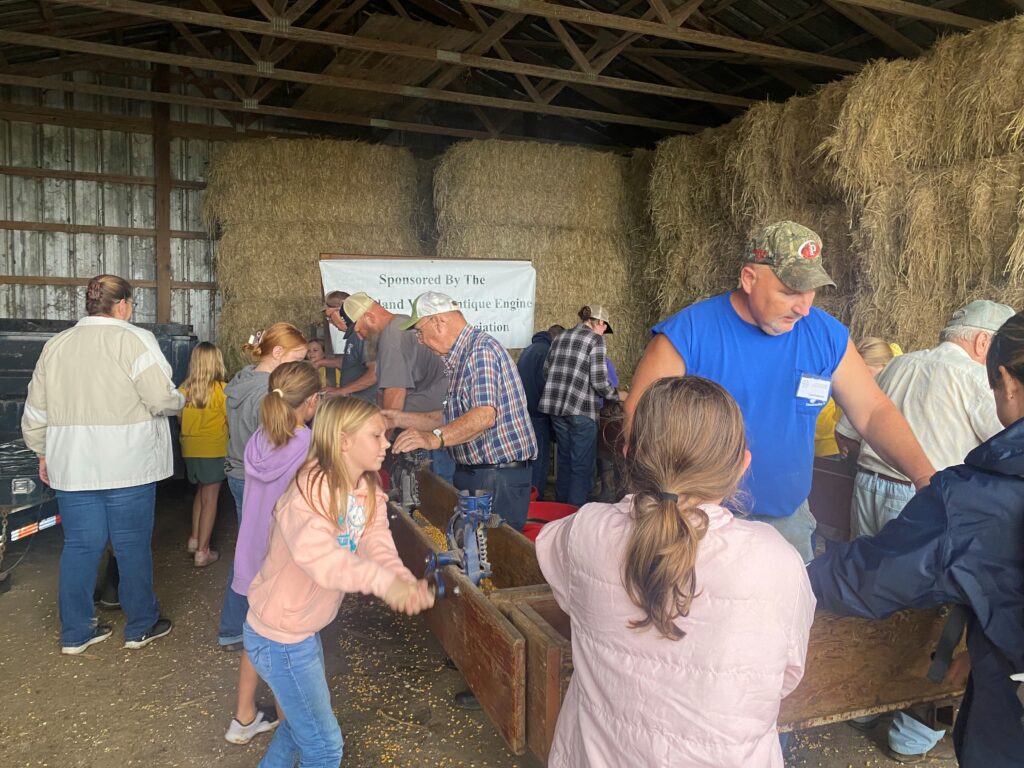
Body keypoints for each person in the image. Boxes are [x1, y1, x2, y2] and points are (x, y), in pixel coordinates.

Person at [536, 376, 814, 767]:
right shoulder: (776, 560)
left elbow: (551, 551)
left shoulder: (586, 530)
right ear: (741, 467)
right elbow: (784, 676)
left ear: (628, 455)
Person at [625, 221, 934, 563]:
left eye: (811, 291)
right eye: (789, 291)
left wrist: (924, 476)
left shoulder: (826, 336)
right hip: (694, 521)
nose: (804, 308)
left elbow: (873, 412)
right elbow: (639, 421)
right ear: (749, 279)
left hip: (787, 524)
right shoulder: (687, 334)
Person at [807, 311, 1024, 768]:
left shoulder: (902, 366)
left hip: (899, 497)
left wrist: (798, 578)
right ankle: (909, 731)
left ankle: (870, 709)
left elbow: (870, 578)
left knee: (889, 616)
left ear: (1006, 381)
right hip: (928, 500)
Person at [244, 396, 435, 767]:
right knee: (324, 747)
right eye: (376, 435)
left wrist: (401, 582)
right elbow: (324, 562)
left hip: (299, 631)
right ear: (344, 441)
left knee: (299, 729)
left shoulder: (366, 490)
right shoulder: (307, 494)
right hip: (278, 636)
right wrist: (383, 583)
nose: (386, 443)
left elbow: (376, 543)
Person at [22, 274, 183, 654]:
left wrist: (42, 451)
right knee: (131, 546)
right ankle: (140, 626)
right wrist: (180, 400)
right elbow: (160, 398)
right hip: (128, 463)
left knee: (80, 546)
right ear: (122, 304)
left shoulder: (56, 345)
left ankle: (76, 633)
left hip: (72, 462)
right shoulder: (135, 339)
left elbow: (36, 410)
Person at [841, 300, 1014, 538]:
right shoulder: (976, 378)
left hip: (865, 488)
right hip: (921, 494)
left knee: (864, 561)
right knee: (913, 563)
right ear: (983, 342)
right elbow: (1010, 444)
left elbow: (846, 433)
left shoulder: (897, 364)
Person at [223, 361, 320, 746]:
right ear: (312, 402)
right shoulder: (307, 446)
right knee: (288, 645)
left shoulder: (259, 439)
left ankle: (244, 717)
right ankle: (292, 730)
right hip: (284, 557)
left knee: (258, 632)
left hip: (252, 551)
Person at [385, 292, 537, 531]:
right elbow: (449, 418)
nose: (420, 340)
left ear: (438, 322)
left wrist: (433, 439)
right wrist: (394, 417)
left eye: (419, 331)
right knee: (472, 544)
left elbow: (483, 416)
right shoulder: (462, 356)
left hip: (496, 476)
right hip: (482, 473)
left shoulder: (480, 351)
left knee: (492, 550)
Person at [218, 323, 309, 652]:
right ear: (279, 353)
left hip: (239, 472)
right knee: (258, 552)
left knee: (250, 548)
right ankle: (243, 626)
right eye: (297, 360)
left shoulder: (243, 379)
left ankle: (239, 625)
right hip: (260, 480)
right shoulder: (268, 393)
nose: (300, 367)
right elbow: (276, 444)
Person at [343, 291, 453, 482]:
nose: (360, 337)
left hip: (426, 433)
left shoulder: (392, 336)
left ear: (369, 317)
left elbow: (395, 395)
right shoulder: (401, 322)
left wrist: (381, 444)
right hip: (434, 426)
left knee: (430, 492)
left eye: (360, 330)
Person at [539, 305, 620, 507]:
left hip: (556, 410)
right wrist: (616, 395)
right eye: (605, 327)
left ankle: (560, 510)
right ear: (599, 322)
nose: (604, 332)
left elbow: (546, 372)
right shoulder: (595, 340)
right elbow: (599, 381)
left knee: (564, 462)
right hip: (581, 410)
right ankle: (575, 513)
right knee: (581, 466)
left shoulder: (560, 338)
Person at [179, 341, 228, 567]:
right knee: (210, 498)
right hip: (213, 449)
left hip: (190, 449)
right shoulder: (223, 391)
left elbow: (179, 419)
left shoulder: (183, 391)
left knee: (200, 492)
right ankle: (202, 551)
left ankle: (194, 539)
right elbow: (229, 420)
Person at [814, 337, 900, 458]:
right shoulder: (850, 385)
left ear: (887, 367)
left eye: (868, 373)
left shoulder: (898, 393)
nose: (863, 379)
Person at [516, 325, 564, 498]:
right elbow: (547, 384)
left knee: (528, 458)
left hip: (523, 410)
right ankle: (537, 499)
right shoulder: (546, 352)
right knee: (540, 458)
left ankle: (526, 497)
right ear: (557, 338)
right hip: (537, 412)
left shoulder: (529, 349)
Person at [320, 290, 378, 402]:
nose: (330, 322)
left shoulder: (362, 334)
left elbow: (375, 373)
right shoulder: (353, 335)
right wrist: (320, 362)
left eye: (330, 316)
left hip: (366, 404)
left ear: (342, 311)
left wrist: (341, 391)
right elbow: (351, 362)